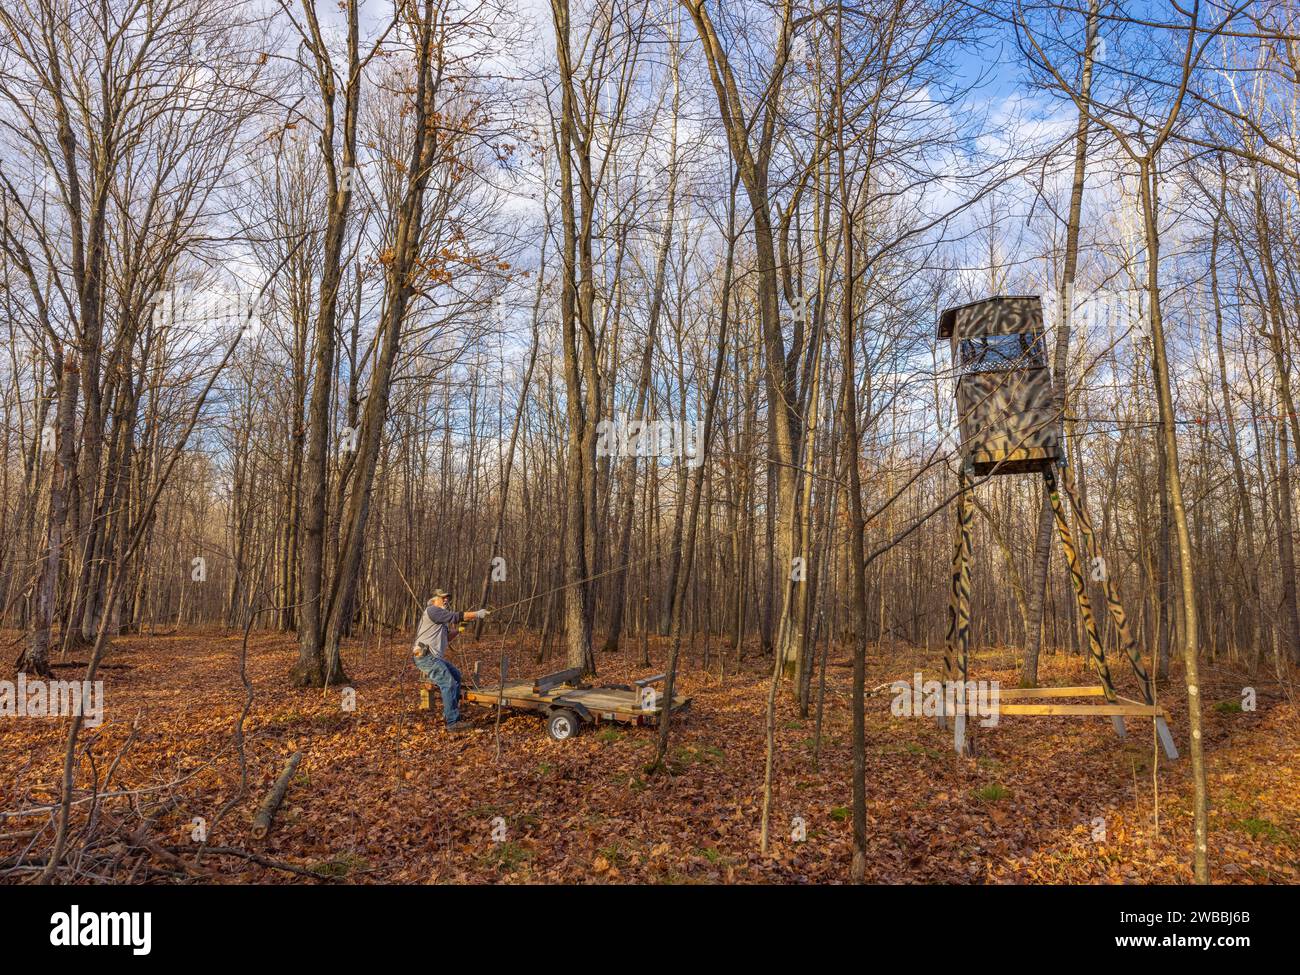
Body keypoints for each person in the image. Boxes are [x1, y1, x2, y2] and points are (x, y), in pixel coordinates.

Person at [413, 590, 489, 732]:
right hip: (425, 656)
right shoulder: (432, 610)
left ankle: (450, 714)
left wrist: (460, 629)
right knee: (448, 683)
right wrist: (477, 614)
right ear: (434, 600)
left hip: (433, 657)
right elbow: (455, 616)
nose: (446, 600)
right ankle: (452, 723)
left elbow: (447, 637)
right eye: (443, 598)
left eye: (448, 598)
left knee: (456, 676)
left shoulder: (440, 618)